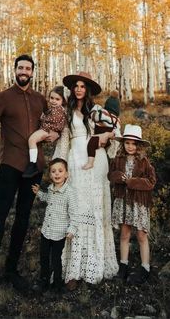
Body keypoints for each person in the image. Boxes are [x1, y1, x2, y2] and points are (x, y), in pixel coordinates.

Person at [0, 54, 59, 291]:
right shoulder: (3, 98)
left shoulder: (40, 99)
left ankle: (11, 269)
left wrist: (55, 134)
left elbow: (53, 121)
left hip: (34, 169)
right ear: (15, 70)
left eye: (28, 68)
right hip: (10, 166)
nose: (24, 71)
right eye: (20, 67)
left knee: (23, 219)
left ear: (32, 72)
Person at [53, 72, 118, 289]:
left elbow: (114, 130)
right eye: (76, 86)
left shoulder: (97, 110)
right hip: (75, 161)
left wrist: (106, 138)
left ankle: (95, 265)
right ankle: (74, 269)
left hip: (96, 162)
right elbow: (63, 141)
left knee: (94, 210)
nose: (79, 89)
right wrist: (58, 166)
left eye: (83, 86)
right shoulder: (67, 112)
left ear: (88, 90)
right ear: (72, 89)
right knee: (77, 210)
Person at [108, 124, 157, 284]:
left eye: (134, 143)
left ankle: (145, 268)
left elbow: (151, 181)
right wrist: (117, 177)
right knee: (124, 234)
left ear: (139, 145)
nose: (130, 146)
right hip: (123, 202)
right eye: (127, 143)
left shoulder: (144, 162)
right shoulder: (118, 158)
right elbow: (110, 175)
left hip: (138, 203)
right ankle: (124, 266)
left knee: (141, 235)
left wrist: (132, 182)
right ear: (123, 143)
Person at [31, 158, 77, 293]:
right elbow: (47, 199)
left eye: (60, 171)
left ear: (66, 174)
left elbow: (74, 213)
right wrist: (39, 193)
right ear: (50, 175)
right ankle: (43, 280)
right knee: (44, 257)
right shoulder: (50, 189)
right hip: (46, 231)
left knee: (56, 259)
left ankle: (57, 284)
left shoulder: (69, 192)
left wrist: (71, 229)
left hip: (59, 233)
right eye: (53, 171)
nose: (57, 174)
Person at [23, 86, 67, 179]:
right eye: (51, 98)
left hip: (47, 130)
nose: (53, 101)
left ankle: (32, 164)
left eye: (57, 99)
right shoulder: (55, 109)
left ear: (63, 100)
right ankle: (33, 163)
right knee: (33, 140)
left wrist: (42, 117)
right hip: (47, 129)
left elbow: (51, 120)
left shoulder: (58, 110)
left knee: (32, 140)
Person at [83, 90, 121, 169]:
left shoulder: (103, 113)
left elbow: (94, 116)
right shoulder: (117, 119)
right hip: (109, 140)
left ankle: (90, 162)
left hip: (98, 135)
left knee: (91, 144)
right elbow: (117, 130)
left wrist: (95, 109)